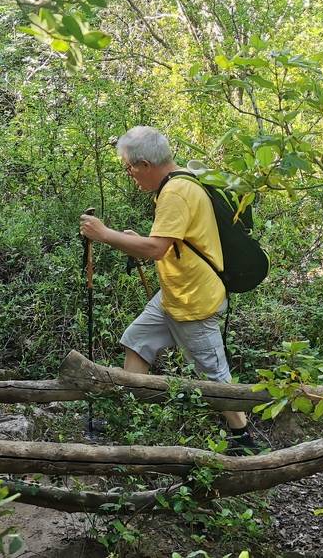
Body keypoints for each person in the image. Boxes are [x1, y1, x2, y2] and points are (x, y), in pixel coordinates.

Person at [79, 126, 259, 454]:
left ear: (145, 164)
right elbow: (172, 243)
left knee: (214, 377)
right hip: (174, 293)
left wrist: (105, 234)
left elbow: (157, 249)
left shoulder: (175, 192)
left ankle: (243, 439)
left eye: (129, 167)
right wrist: (136, 240)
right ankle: (128, 417)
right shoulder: (182, 179)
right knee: (137, 341)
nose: (130, 175)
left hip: (193, 300)